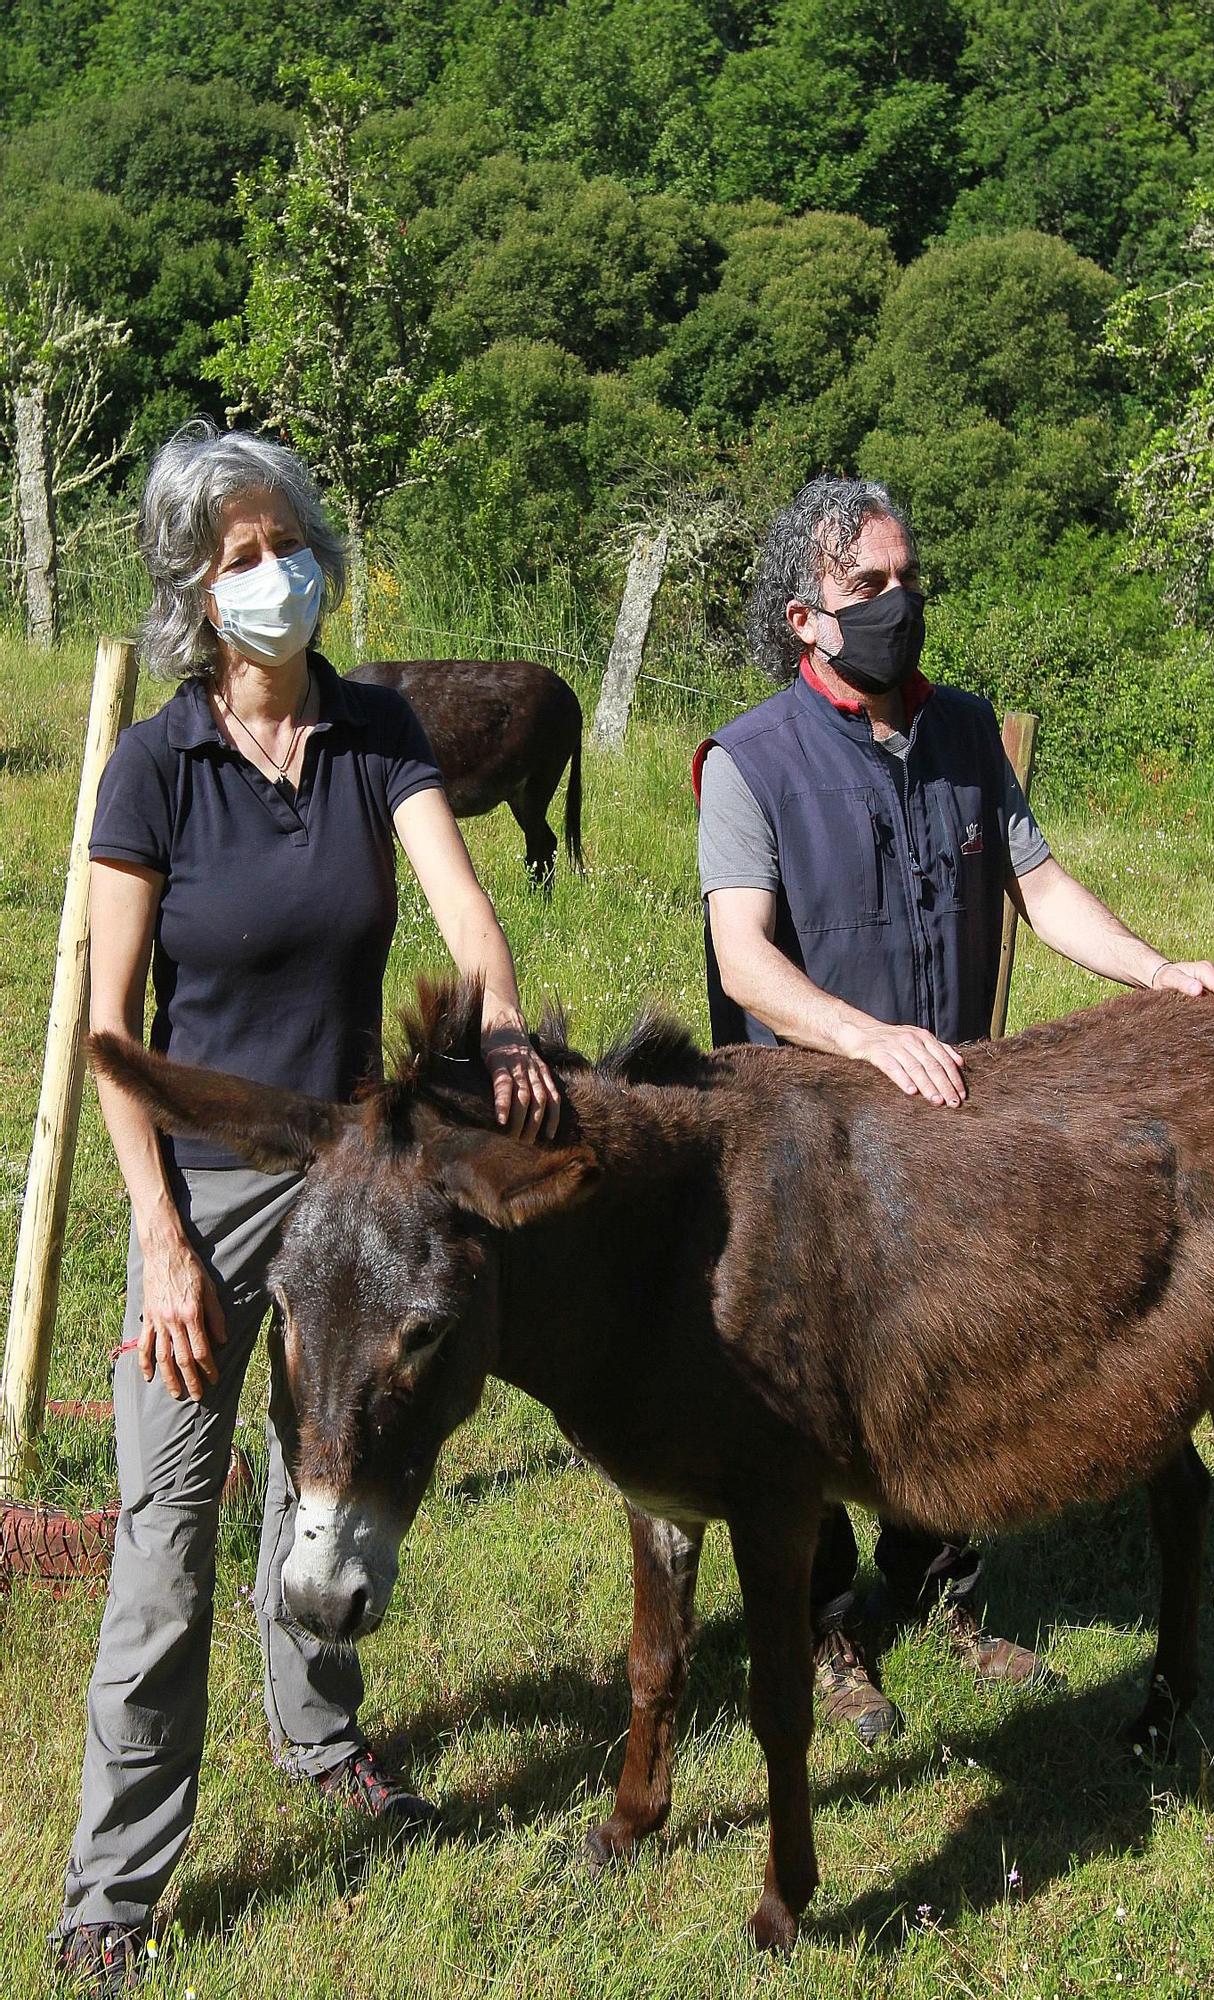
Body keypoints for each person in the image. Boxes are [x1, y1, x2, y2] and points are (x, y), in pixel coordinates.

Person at [55, 420, 560, 1994]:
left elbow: (460, 905)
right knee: (165, 1530)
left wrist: (509, 1021)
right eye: (242, 558)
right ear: (194, 596)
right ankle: (115, 1886)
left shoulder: (374, 735)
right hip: (203, 1181)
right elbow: (112, 1026)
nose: (281, 577)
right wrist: (158, 1241)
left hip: (344, 1176)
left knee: (322, 1466)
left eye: (292, 543)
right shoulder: (156, 766)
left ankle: (318, 1734)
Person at [695, 476, 1214, 1748]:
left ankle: (950, 1586)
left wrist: (1158, 967)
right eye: (867, 588)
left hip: (952, 1125)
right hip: (803, 1141)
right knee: (812, 1388)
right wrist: (866, 1037)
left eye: (907, 577)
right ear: (805, 617)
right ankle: (835, 1628)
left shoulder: (961, 736)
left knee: (944, 1356)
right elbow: (744, 960)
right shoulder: (749, 762)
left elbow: (1041, 888)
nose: (900, 603)